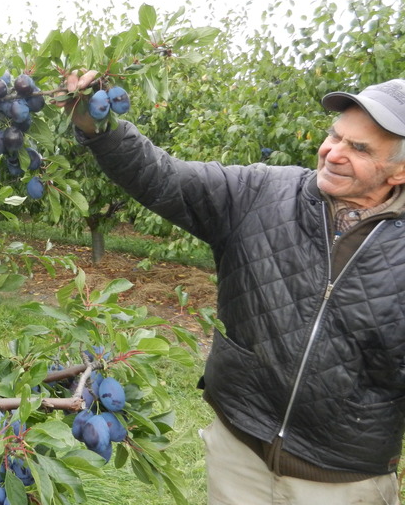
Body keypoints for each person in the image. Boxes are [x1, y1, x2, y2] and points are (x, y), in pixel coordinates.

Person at [69, 78, 405, 505]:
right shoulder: (261, 193)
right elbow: (163, 177)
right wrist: (100, 127)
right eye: (335, 135)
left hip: (342, 480)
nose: (334, 153)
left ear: (399, 170)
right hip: (239, 454)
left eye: (359, 148)